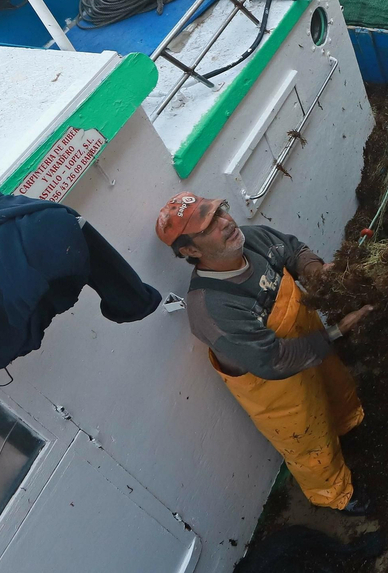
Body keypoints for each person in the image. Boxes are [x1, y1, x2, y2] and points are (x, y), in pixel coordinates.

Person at [155, 192, 375, 514]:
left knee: (337, 388)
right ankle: (338, 495)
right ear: (190, 249)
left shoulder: (252, 240)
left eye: (220, 212)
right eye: (208, 226)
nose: (226, 223)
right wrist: (338, 331)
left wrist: (316, 273)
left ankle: (350, 426)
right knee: (311, 445)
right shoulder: (212, 308)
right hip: (279, 391)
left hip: (313, 348)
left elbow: (293, 249)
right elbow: (273, 360)